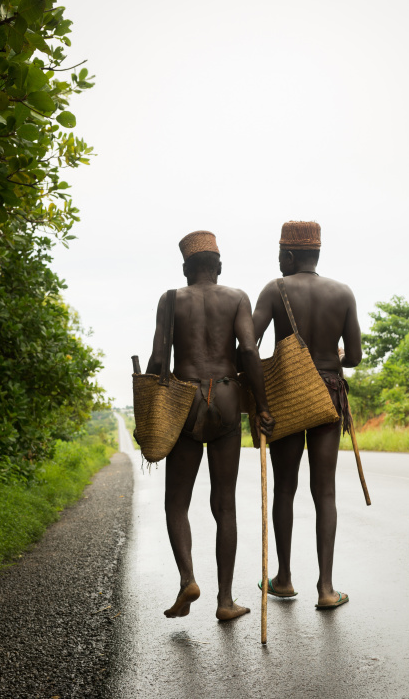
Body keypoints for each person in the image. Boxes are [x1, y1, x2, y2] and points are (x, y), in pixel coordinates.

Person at [146, 231, 274, 621]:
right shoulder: (236, 297)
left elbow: (157, 360)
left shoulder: (171, 299)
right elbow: (249, 352)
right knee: (225, 505)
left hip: (184, 400)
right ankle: (225, 601)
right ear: (218, 267)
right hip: (226, 398)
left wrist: (153, 414)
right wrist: (262, 407)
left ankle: (187, 579)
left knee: (176, 502)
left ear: (186, 269)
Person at [252, 221, 362, 608]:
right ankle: (327, 589)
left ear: (289, 255)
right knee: (325, 491)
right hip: (328, 395)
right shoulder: (342, 292)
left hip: (287, 394)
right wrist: (333, 361)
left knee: (285, 487)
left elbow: (248, 345)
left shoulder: (274, 290)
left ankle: (283, 579)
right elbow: (357, 355)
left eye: (280, 254)